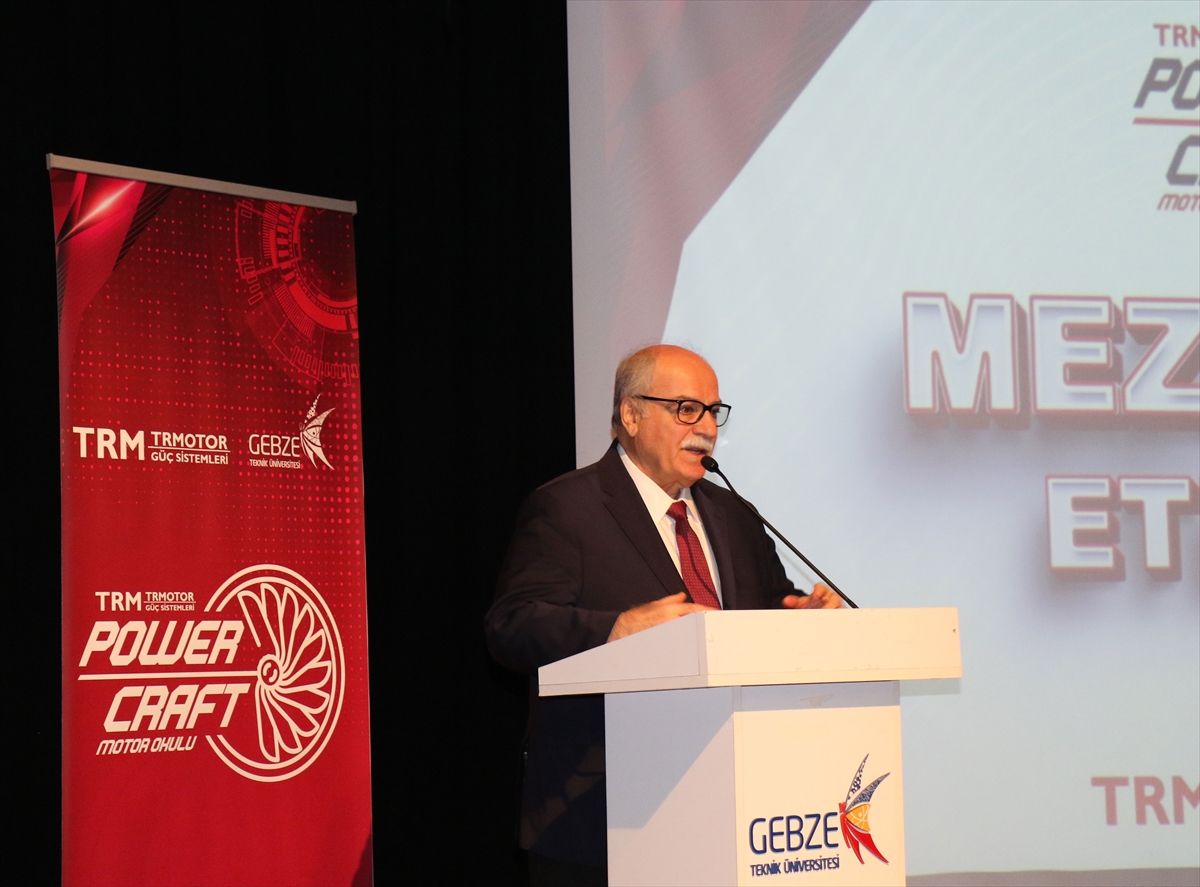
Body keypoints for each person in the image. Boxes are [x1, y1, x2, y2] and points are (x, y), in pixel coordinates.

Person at [485, 345, 841, 885]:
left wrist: (801, 615)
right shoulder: (568, 508)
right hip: (601, 814)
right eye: (686, 409)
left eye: (713, 411)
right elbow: (512, 625)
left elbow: (768, 605)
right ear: (631, 414)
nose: (707, 429)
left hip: (730, 807)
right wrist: (617, 629)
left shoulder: (734, 515)